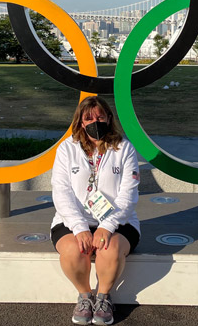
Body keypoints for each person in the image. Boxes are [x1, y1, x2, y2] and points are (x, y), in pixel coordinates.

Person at [51, 96, 140, 325]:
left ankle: (103, 298)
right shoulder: (66, 149)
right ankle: (85, 296)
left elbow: (128, 195)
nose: (95, 121)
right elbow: (61, 192)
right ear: (80, 122)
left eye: (100, 116)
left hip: (119, 221)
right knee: (73, 250)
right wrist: (80, 227)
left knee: (108, 248)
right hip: (72, 220)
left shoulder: (124, 148)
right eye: (89, 117)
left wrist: (107, 226)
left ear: (109, 118)